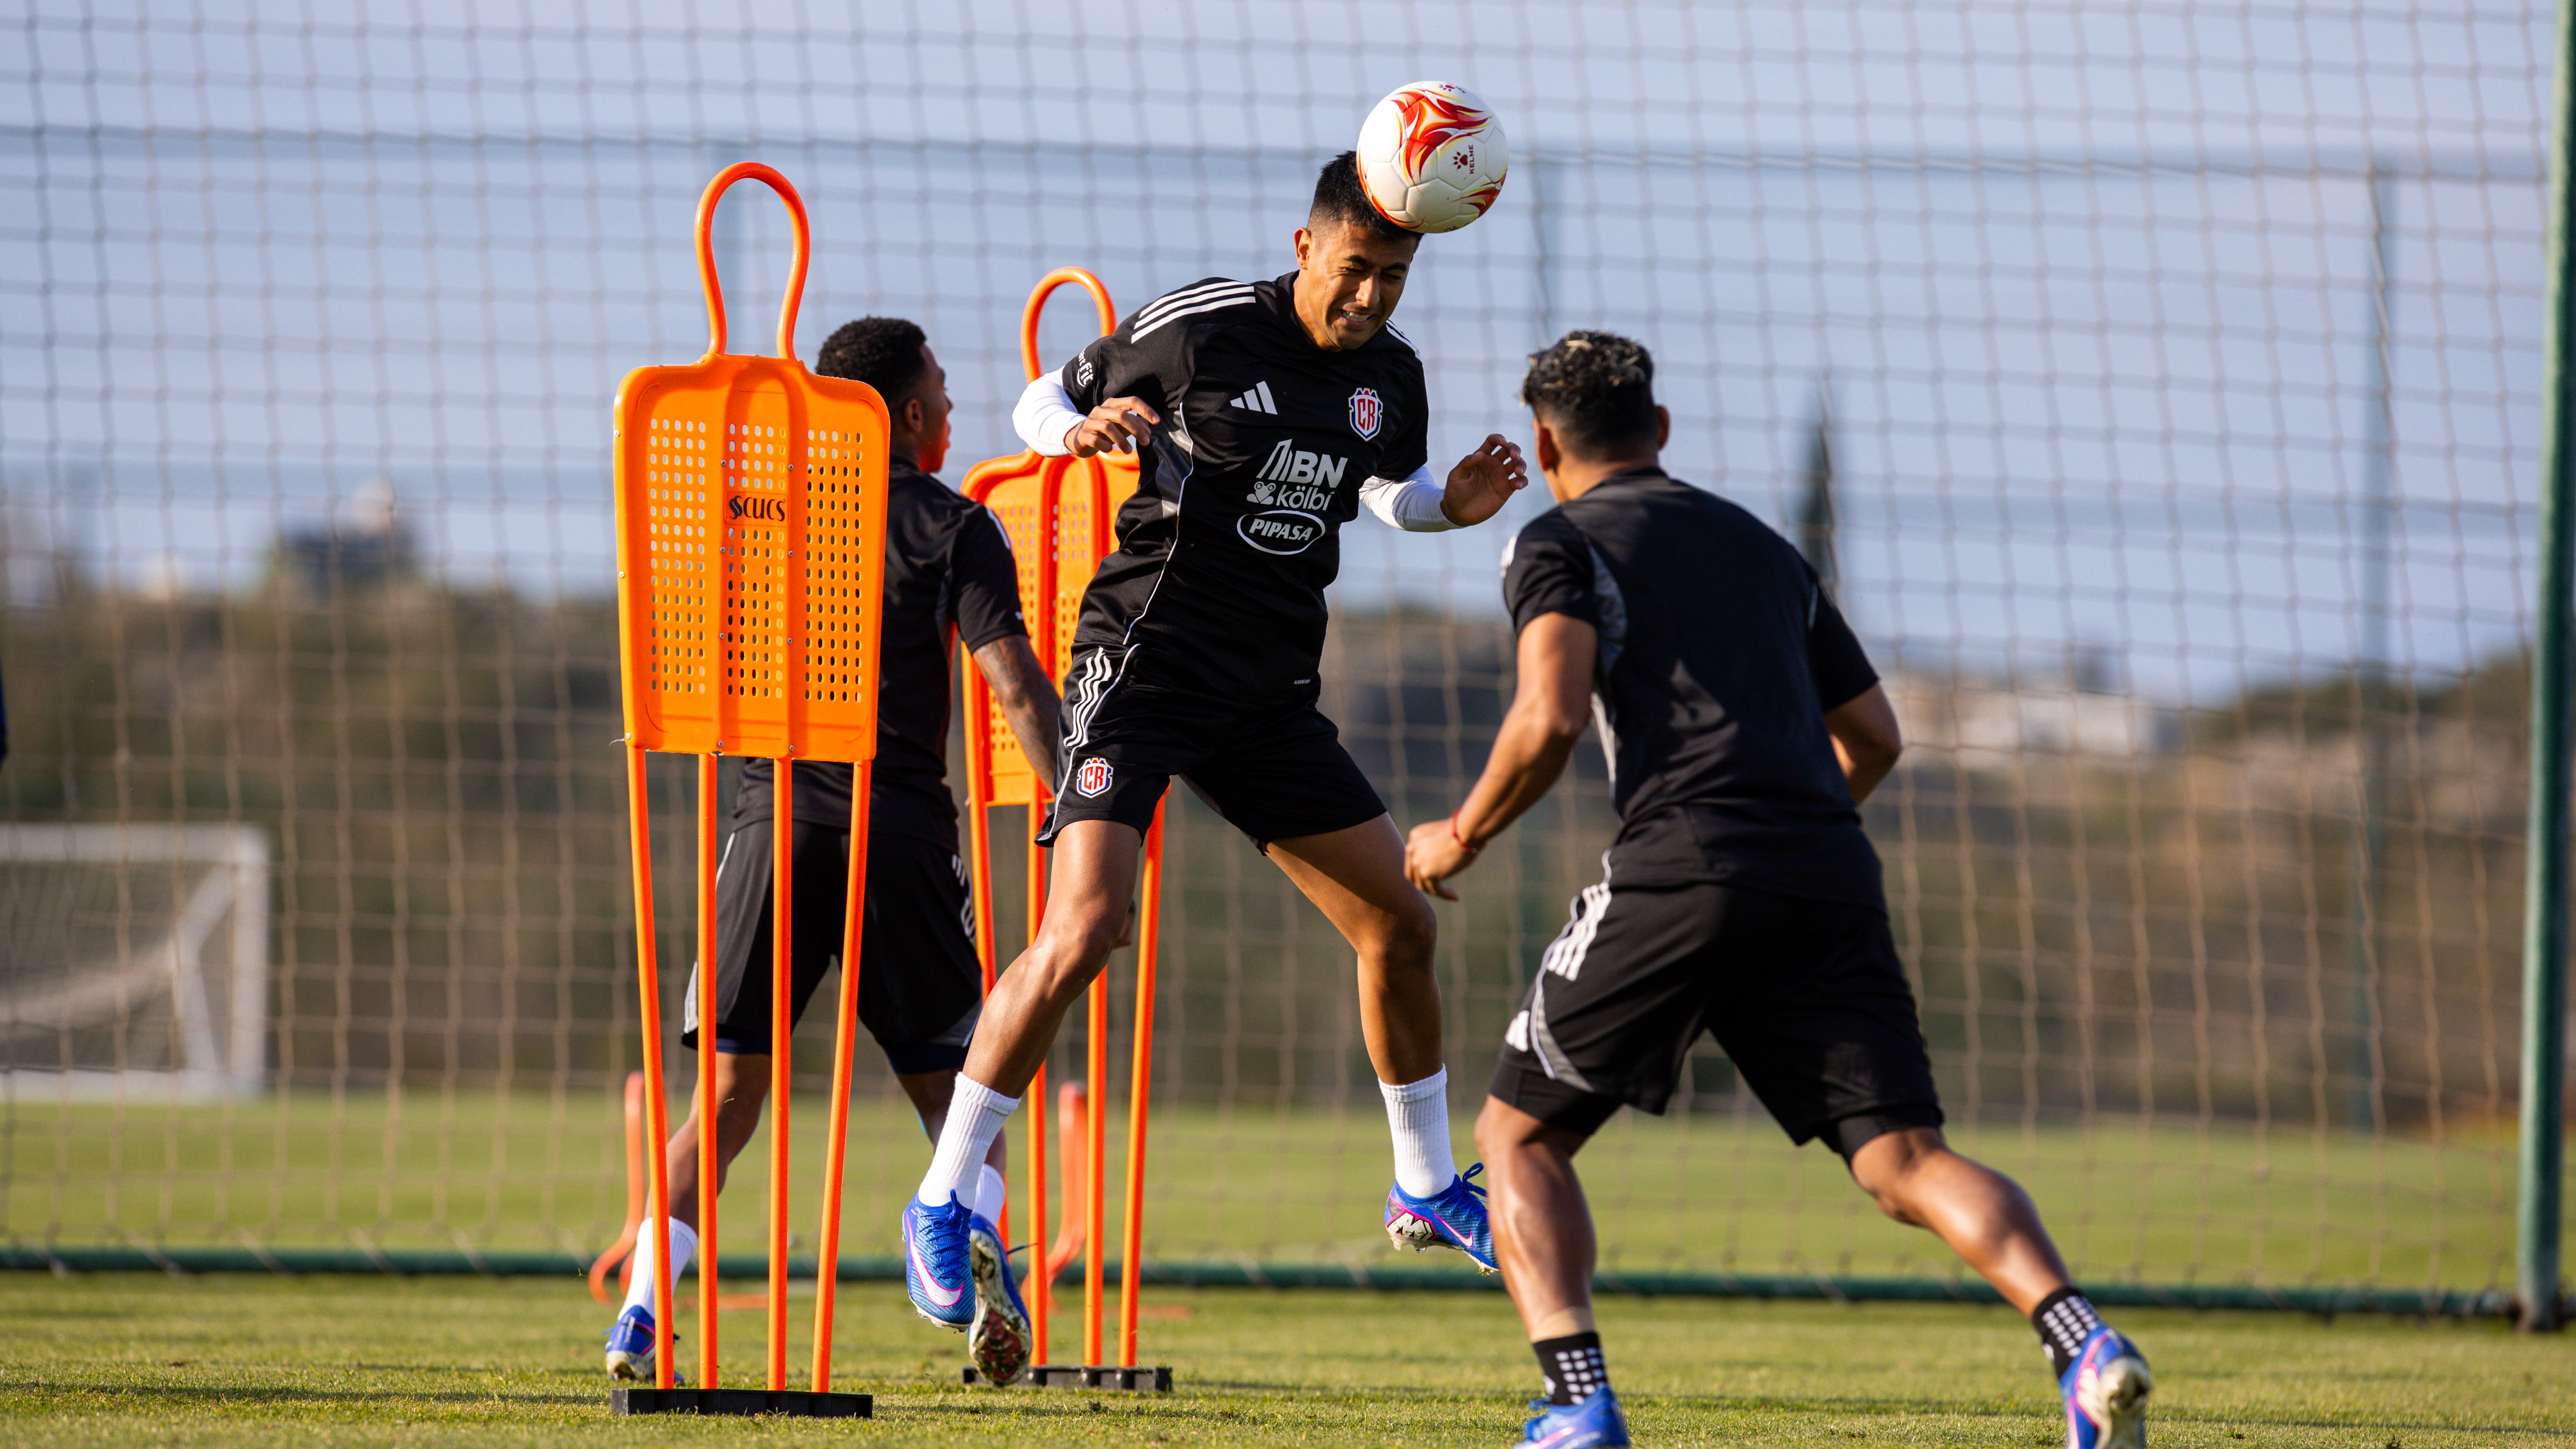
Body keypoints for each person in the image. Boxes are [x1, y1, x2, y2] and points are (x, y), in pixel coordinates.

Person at [1405, 332, 2154, 1449]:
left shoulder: (1555, 540)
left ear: (1545, 443)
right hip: (1827, 870)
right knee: (1905, 1159)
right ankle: (2082, 1339)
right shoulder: (1766, 549)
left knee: (1517, 1134)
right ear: (1659, 432)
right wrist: (1793, 836)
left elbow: (1549, 715)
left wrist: (1458, 834)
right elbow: (1877, 736)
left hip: (1682, 865)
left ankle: (1577, 1404)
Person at [900, 151, 1531, 1378]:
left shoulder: (1388, 375)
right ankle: (942, 1197)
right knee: (1085, 926)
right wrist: (1077, 430)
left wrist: (1445, 503)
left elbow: (1378, 492)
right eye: (1355, 272)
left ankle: (1419, 1183)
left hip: (1268, 695)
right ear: (1306, 247)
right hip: (1143, 663)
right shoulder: (1203, 327)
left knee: (1400, 921)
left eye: (1393, 279)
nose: (1370, 300)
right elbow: (1042, 395)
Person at [605, 317, 1062, 1386]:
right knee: (965, 1100)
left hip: (768, 826)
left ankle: (641, 1308)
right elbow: (1013, 685)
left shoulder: (759, 513)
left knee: (722, 1102)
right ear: (908, 415)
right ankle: (952, 1257)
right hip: (897, 829)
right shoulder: (957, 524)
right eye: (944, 394)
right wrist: (1067, 797)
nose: (954, 411)